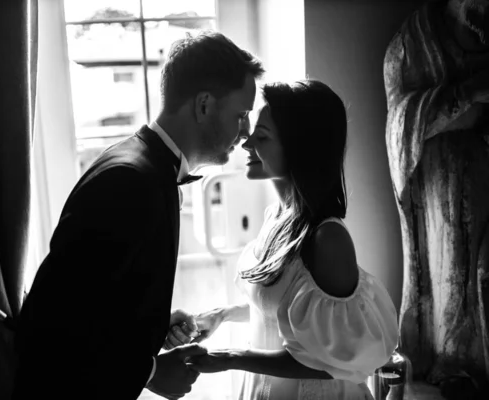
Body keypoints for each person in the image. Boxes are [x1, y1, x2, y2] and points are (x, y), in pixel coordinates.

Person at [11, 31, 265, 400]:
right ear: (204, 105)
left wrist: (152, 326)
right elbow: (54, 322)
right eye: (241, 115)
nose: (246, 132)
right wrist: (151, 372)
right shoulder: (130, 182)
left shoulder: (144, 165)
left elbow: (98, 297)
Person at [165, 80, 399, 399]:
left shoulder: (328, 238)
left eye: (261, 137)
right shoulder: (276, 217)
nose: (246, 147)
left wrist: (232, 357)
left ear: (299, 147)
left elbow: (338, 360)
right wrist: (220, 315)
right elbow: (291, 315)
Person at [383, 0, 489, 396]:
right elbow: (399, 125)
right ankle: (458, 365)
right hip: (445, 193)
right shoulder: (412, 45)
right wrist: (468, 94)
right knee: (460, 286)